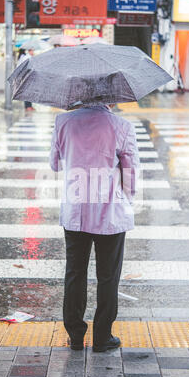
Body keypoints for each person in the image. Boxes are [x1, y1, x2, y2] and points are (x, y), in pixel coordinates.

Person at [50, 102, 140, 352]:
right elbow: (131, 173)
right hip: (109, 213)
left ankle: (76, 336)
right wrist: (126, 199)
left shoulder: (63, 122)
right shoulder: (122, 126)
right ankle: (102, 337)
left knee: (75, 273)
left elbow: (55, 165)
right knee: (108, 276)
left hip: (75, 211)